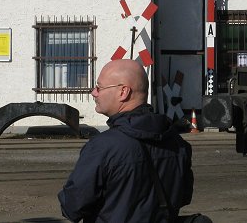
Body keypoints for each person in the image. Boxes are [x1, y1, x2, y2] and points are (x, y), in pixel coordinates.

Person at [58, 59, 194, 222]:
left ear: (123, 92)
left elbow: (72, 206)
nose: (94, 92)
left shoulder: (102, 147)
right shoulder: (178, 144)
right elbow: (184, 197)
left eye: (99, 87)